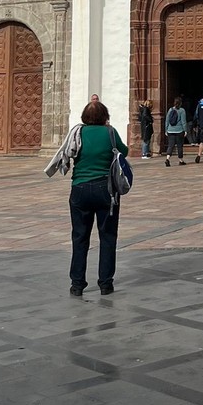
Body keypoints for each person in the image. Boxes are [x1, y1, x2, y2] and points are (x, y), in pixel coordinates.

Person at [68, 99, 127, 297]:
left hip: (80, 188)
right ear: (105, 117)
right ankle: (105, 283)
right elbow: (124, 152)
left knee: (79, 236)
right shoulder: (110, 132)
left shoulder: (78, 132)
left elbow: (69, 153)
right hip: (106, 189)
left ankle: (77, 284)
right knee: (108, 236)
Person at [165, 97, 187, 166]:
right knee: (179, 146)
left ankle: (167, 159)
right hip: (179, 130)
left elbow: (167, 121)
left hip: (170, 130)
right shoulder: (182, 110)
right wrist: (185, 130)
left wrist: (166, 129)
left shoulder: (170, 109)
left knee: (171, 145)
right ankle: (181, 160)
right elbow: (183, 121)